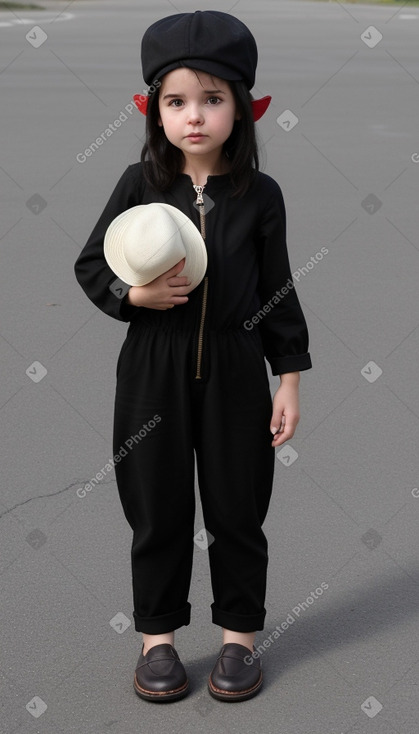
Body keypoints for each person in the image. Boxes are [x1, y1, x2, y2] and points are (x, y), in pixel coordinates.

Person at [74, 10, 312, 703]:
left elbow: (278, 290)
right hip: (152, 368)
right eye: (176, 101)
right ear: (154, 112)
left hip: (238, 368)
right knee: (157, 504)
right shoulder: (137, 185)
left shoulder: (259, 196)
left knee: (238, 505)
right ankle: (158, 640)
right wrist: (131, 294)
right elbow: (92, 265)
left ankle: (239, 639)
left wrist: (287, 378)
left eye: (213, 99)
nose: (195, 116)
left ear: (242, 108)